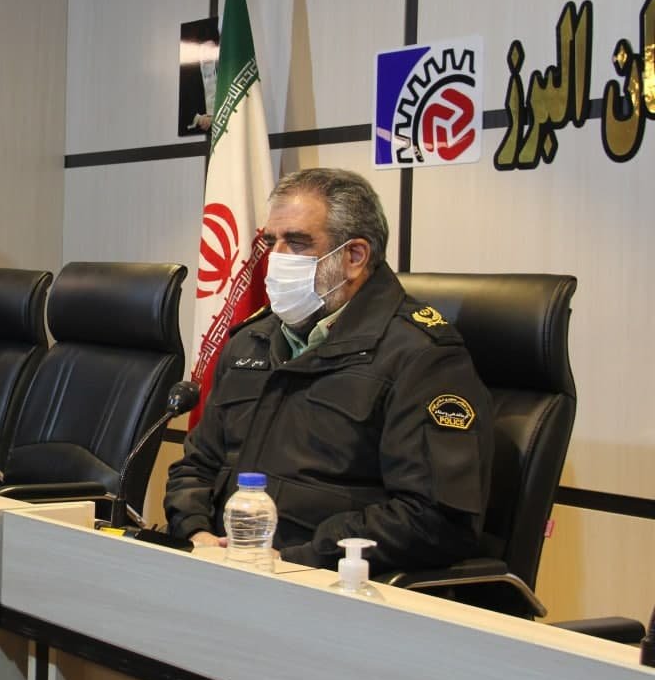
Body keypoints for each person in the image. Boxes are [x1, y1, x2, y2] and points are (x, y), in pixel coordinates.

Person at [165, 167, 493, 573]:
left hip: (329, 584)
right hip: (221, 570)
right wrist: (196, 532)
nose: (276, 259)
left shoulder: (421, 357)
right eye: (271, 242)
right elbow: (196, 466)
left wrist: (296, 559)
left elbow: (434, 518)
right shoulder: (251, 342)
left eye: (297, 242)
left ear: (354, 257)